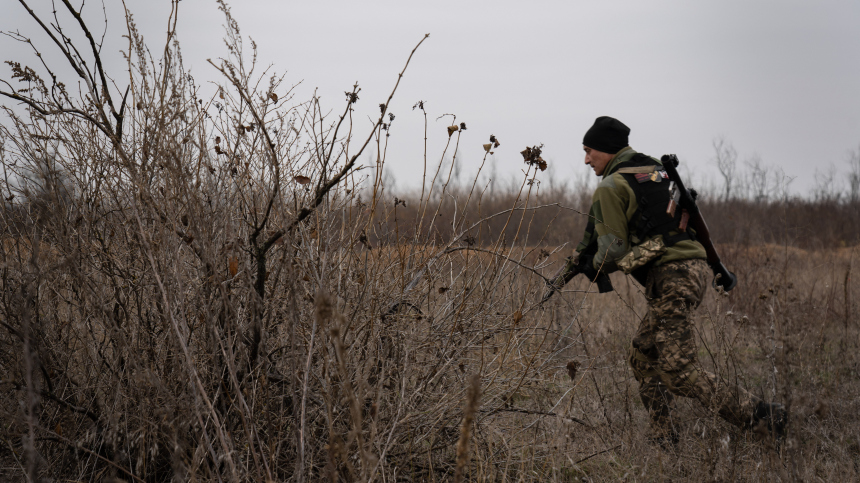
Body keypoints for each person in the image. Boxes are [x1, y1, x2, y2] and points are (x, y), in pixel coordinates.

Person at [574, 116, 787, 446]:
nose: (586, 159)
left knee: (678, 371)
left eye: (589, 151)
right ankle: (664, 438)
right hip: (691, 270)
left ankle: (763, 417)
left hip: (672, 276)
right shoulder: (654, 171)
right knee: (643, 355)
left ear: (605, 149)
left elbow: (613, 249)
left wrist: (593, 266)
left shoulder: (611, 186)